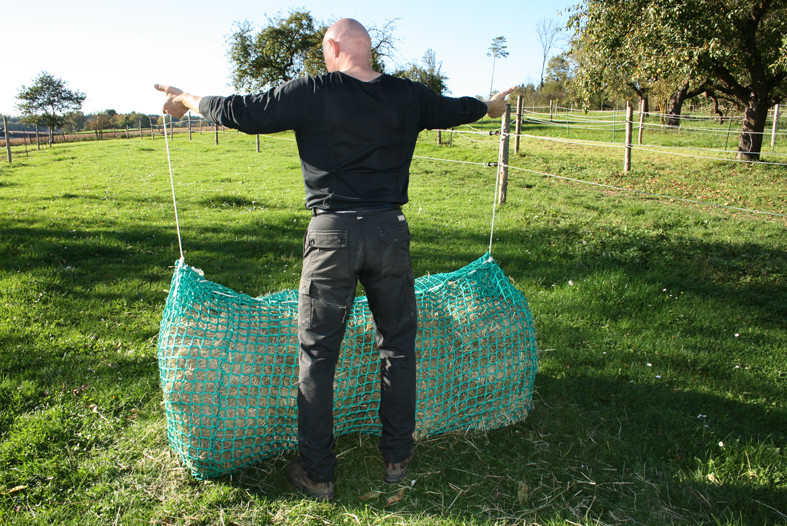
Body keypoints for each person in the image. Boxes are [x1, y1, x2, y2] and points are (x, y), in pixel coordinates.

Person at [156, 17, 513, 501]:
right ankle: (396, 456)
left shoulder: (314, 91)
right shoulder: (408, 94)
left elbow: (243, 111)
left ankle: (319, 473)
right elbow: (458, 109)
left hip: (332, 234)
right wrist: (491, 106)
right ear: (367, 49)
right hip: (389, 231)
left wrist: (188, 99)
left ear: (332, 46)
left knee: (318, 356)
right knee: (398, 347)